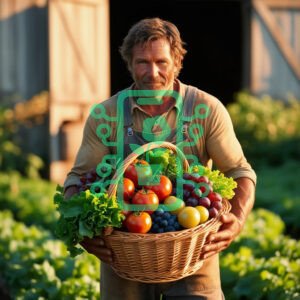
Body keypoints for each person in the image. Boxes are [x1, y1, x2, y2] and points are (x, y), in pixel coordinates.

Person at [64, 18, 256, 300]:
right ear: (129, 63)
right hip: (123, 259)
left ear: (177, 62)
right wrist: (83, 231)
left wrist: (237, 219)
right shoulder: (105, 115)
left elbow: (240, 171)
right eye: (142, 62)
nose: (152, 72)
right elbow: (78, 179)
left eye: (161, 62)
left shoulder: (206, 109)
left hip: (194, 258)